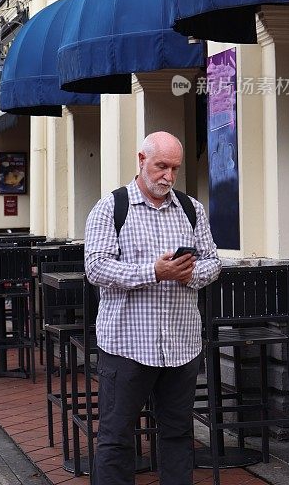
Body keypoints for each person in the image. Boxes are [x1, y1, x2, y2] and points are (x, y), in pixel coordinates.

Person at [85, 131, 222, 485]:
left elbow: (213, 263)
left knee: (177, 435)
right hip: (128, 345)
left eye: (175, 168)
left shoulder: (192, 209)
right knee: (116, 437)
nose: (169, 176)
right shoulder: (111, 207)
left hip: (181, 344)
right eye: (162, 166)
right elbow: (96, 267)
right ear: (141, 160)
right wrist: (154, 272)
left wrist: (187, 274)